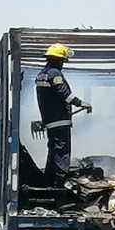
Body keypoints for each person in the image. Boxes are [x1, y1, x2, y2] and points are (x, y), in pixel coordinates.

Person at [36, 43, 93, 187]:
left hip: (50, 120)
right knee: (62, 152)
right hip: (60, 120)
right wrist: (81, 103)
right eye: (62, 61)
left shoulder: (42, 74)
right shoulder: (55, 74)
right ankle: (60, 184)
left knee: (53, 151)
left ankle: (49, 180)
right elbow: (63, 94)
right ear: (58, 60)